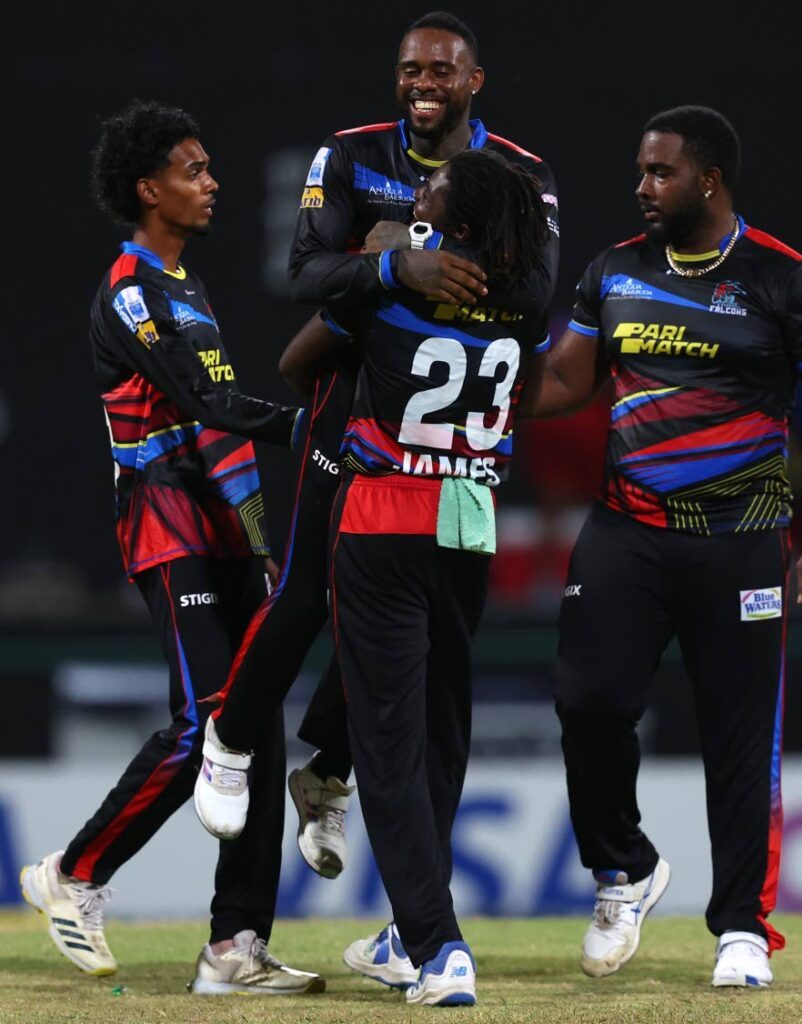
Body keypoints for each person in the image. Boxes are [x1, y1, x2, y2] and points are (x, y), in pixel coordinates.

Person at [193, 8, 558, 879]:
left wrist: (402, 252)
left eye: (441, 71)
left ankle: (327, 770)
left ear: (475, 82)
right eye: (409, 70)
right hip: (350, 407)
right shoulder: (349, 154)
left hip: (449, 429)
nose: (422, 84)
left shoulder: (524, 173)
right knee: (314, 596)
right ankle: (232, 741)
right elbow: (304, 274)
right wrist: (400, 265)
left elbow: (535, 288)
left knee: (414, 633)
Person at [523, 105, 802, 988]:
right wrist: (466, 369)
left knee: (738, 735)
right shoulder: (614, 272)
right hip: (625, 531)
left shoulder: (785, 279)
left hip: (744, 539)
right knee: (587, 702)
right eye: (640, 171)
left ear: (708, 178)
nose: (641, 188)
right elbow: (563, 383)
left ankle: (741, 928)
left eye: (659, 173)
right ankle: (624, 870)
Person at [18, 100, 323, 997]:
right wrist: (317, 429)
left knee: (254, 728)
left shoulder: (188, 288)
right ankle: (74, 873)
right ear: (148, 189)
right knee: (210, 718)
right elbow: (208, 405)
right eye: (194, 169)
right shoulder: (129, 292)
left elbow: (221, 438)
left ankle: (235, 949)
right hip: (165, 524)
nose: (212, 181)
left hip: (223, 528)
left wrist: (261, 540)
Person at [280, 147, 549, 1006]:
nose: (416, 194)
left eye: (431, 192)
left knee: (390, 748)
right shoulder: (527, 304)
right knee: (439, 731)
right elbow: (527, 395)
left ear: (458, 222)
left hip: (383, 518)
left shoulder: (389, 290)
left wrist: (379, 269)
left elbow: (296, 361)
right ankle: (409, 933)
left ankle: (439, 949)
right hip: (469, 524)